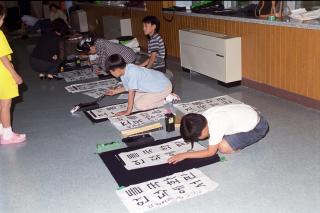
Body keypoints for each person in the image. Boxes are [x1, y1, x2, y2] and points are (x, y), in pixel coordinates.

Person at [168, 104, 269, 164]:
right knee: (218, 138)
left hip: (258, 127)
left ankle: (237, 146)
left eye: (197, 137)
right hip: (250, 113)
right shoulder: (203, 118)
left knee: (223, 147)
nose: (198, 139)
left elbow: (210, 152)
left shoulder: (216, 124)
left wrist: (184, 155)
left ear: (202, 131)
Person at [105, 54, 175, 116]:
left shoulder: (132, 72)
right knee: (135, 102)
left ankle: (168, 98)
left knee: (139, 106)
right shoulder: (124, 71)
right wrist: (114, 91)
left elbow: (131, 93)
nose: (111, 74)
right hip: (154, 86)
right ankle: (164, 96)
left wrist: (127, 112)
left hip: (163, 87)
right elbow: (128, 87)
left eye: (111, 71)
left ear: (117, 69)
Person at [0, 5, 26, 144]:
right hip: (3, 73)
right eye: (2, 18)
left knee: (0, 103)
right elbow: (3, 57)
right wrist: (15, 74)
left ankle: (2, 130)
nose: (2, 21)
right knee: (5, 104)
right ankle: (8, 135)